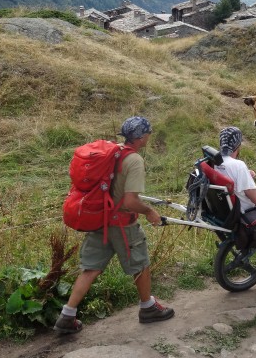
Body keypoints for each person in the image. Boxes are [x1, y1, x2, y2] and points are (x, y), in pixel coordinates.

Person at [54, 116, 174, 334]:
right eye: (148, 133)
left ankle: (67, 315)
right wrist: (149, 211)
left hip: (101, 218)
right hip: (122, 224)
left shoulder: (114, 151)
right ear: (141, 136)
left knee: (91, 268)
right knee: (140, 263)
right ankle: (148, 308)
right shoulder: (135, 160)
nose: (149, 136)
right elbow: (130, 201)